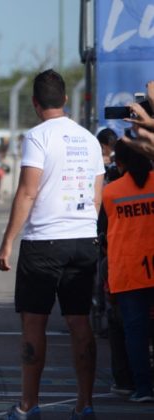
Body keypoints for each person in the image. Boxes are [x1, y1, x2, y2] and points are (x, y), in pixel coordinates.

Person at [0, 69, 104, 420]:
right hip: (84, 238)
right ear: (67, 100)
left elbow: (28, 191)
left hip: (44, 241)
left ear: (34, 103)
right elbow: (97, 198)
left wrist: (7, 242)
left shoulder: (37, 136)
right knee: (80, 322)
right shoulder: (88, 138)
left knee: (34, 324)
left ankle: (28, 405)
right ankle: (84, 404)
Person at [102, 140, 154, 402]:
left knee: (135, 332)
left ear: (119, 163)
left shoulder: (111, 192)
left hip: (128, 270)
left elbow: (102, 234)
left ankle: (143, 388)